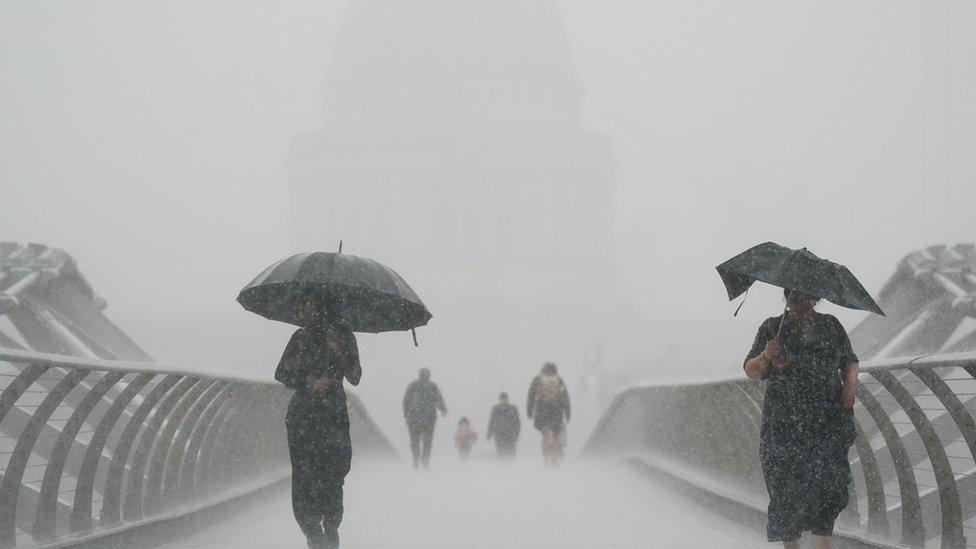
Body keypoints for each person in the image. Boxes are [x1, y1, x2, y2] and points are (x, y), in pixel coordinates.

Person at [743, 289, 860, 549]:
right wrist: (765, 356)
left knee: (827, 485)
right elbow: (752, 370)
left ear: (815, 298)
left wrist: (849, 386)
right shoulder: (773, 327)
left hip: (826, 419)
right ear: (786, 298)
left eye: (806, 298)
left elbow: (850, 361)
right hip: (784, 422)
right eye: (795, 298)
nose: (800, 303)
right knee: (784, 487)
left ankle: (821, 543)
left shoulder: (830, 325)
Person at [274, 295, 362, 549]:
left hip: (333, 415)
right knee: (304, 475)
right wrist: (309, 383)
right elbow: (281, 373)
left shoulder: (344, 337)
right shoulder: (300, 338)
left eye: (307, 305)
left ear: (322, 308)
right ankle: (312, 532)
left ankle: (331, 526)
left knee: (334, 473)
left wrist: (339, 351)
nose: (302, 309)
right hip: (303, 416)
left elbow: (355, 376)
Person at [526, 362, 570, 466]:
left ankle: (546, 459)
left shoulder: (538, 380)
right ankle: (555, 454)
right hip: (556, 410)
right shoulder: (559, 380)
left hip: (542, 411)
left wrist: (529, 411)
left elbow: (531, 395)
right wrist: (567, 412)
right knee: (556, 434)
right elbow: (565, 397)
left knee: (545, 435)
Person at [402, 368, 447, 469]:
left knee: (415, 440)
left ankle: (416, 458)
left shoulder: (412, 385)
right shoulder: (432, 386)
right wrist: (443, 409)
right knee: (427, 440)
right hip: (429, 418)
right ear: (429, 375)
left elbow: (406, 400)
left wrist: (406, 414)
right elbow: (438, 398)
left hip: (414, 418)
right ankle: (425, 460)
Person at [486, 392, 521, 459]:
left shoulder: (513, 408)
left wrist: (516, 433)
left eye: (504, 399)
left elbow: (517, 422)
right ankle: (502, 466)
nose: (503, 400)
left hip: (510, 433)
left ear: (507, 399)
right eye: (502, 399)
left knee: (510, 451)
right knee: (501, 451)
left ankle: (509, 466)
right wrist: (489, 433)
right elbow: (492, 421)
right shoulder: (495, 409)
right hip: (499, 433)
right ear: (499, 399)